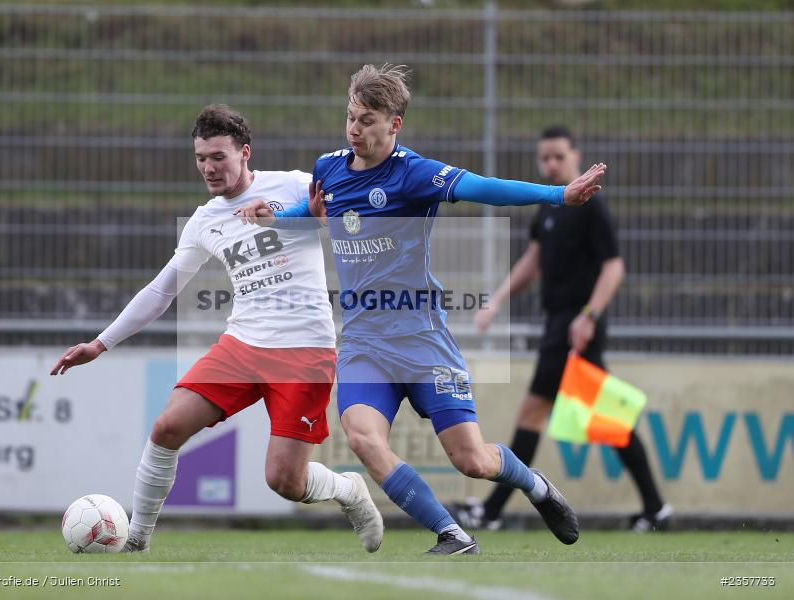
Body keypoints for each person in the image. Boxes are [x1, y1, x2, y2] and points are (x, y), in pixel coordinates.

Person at [236, 64, 607, 555]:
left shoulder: (414, 174)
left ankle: (536, 486)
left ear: (395, 124)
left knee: (472, 459)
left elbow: (482, 187)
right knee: (364, 438)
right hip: (365, 342)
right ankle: (451, 533)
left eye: (367, 120)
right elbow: (318, 211)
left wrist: (557, 194)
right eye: (350, 117)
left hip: (422, 337)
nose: (354, 129)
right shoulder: (329, 168)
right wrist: (277, 218)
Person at [50, 105, 384, 553]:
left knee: (285, 481)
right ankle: (138, 540)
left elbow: (354, 208)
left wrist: (324, 217)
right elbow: (161, 290)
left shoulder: (293, 184)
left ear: (244, 153)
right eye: (201, 158)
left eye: (218, 157)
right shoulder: (204, 220)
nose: (208, 167)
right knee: (168, 426)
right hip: (242, 346)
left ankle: (349, 491)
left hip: (305, 351)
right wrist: (100, 343)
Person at [459, 125, 672, 533]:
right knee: (607, 419)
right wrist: (497, 300)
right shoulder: (551, 204)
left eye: (559, 156)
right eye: (545, 158)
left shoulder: (590, 206)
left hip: (576, 326)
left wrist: (589, 315)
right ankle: (655, 509)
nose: (551, 164)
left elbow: (614, 266)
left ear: (576, 155)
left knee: (535, 414)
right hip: (560, 323)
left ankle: (491, 512)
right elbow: (534, 259)